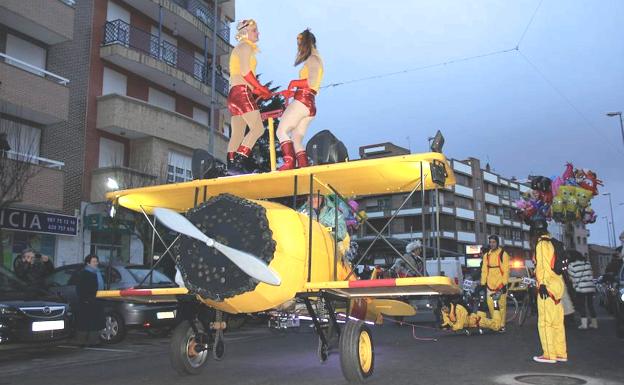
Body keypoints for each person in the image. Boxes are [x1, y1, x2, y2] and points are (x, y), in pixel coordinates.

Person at [227, 19, 272, 175]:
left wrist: (260, 91)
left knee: (238, 133)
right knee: (258, 128)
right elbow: (246, 73)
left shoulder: (239, 48)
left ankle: (231, 165)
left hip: (233, 94)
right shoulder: (245, 46)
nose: (258, 33)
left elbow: (242, 74)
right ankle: (239, 160)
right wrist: (261, 88)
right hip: (242, 91)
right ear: (245, 32)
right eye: (255, 30)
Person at [276, 29, 323, 170]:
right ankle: (303, 166)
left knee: (281, 131)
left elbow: (311, 81)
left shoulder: (312, 59)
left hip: (302, 101)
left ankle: (289, 163)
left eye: (300, 44)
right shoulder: (316, 59)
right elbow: (312, 85)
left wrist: (293, 83)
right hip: (310, 103)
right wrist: (292, 91)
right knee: (296, 139)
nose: (298, 48)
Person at [530, 220, 567, 363]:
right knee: (558, 323)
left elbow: (543, 267)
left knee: (545, 322)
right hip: (557, 287)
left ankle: (549, 355)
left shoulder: (541, 244)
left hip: (547, 288)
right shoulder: (554, 243)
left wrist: (543, 284)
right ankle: (560, 353)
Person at [75, 254, 105, 346]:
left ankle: (94, 341)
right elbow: (80, 288)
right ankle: (81, 342)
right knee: (85, 323)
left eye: (97, 261)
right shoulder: (84, 273)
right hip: (86, 302)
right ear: (88, 263)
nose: (96, 263)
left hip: (96, 300)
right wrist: (85, 299)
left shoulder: (97, 273)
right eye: (94, 261)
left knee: (95, 323)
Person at [480, 235, 510, 330]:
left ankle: (501, 325)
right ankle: (495, 324)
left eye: (494, 242)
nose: (492, 244)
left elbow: (506, 270)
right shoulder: (486, 255)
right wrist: (483, 282)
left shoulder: (503, 254)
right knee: (491, 305)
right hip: (489, 284)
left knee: (501, 306)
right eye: (490, 242)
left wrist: (504, 284)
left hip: (500, 284)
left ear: (497, 242)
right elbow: (484, 270)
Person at [567, 250, 597, 329]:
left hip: (580, 288)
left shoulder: (571, 265)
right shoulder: (587, 263)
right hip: (590, 287)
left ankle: (584, 324)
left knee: (582, 305)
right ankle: (594, 323)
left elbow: (571, 277)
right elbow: (591, 274)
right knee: (590, 305)